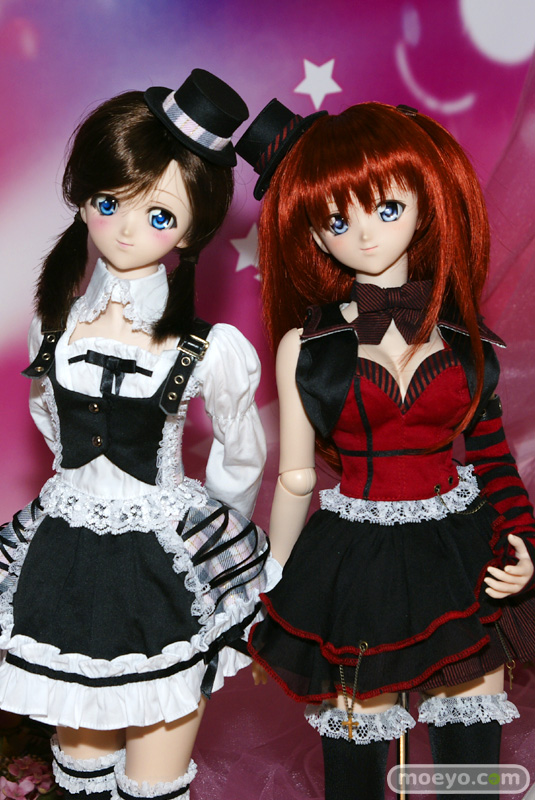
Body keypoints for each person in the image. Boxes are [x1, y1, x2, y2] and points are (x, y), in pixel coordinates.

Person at [236, 100, 535, 800]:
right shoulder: (307, 346)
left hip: (459, 555)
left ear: (424, 204)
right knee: (357, 754)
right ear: (313, 232)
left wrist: (522, 542)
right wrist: (276, 593)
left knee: (470, 759)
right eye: (338, 221)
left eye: (386, 209)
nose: (365, 234)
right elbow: (295, 478)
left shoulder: (464, 337)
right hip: (353, 562)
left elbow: (493, 457)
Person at [0, 69, 279, 800]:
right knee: (79, 761)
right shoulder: (52, 330)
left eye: (158, 215)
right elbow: (51, 423)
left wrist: (211, 549)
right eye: (108, 202)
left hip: (161, 565)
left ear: (191, 229)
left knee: (154, 775)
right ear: (82, 201)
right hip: (65, 558)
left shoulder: (207, 348)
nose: (126, 229)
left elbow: (240, 455)